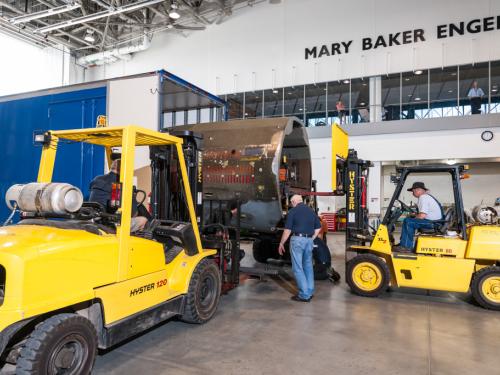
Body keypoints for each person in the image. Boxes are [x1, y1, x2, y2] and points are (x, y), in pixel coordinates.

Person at [278, 195, 321, 302]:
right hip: (309, 240)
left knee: (297, 267)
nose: (291, 204)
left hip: (297, 240)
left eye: (291, 203)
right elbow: (318, 227)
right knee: (308, 266)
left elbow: (287, 231)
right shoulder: (311, 211)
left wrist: (281, 243)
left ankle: (304, 294)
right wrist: (312, 238)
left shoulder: (293, 211)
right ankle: (310, 291)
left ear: (293, 202)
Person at [89, 159, 148, 232]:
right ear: (124, 170)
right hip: (110, 223)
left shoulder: (97, 179)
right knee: (143, 220)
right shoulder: (120, 184)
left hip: (95, 218)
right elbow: (133, 213)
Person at [394, 182, 443, 253]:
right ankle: (404, 242)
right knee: (410, 220)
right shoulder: (426, 197)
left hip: (433, 223)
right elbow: (423, 214)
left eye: (413, 191)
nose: (413, 193)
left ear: (418, 190)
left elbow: (422, 216)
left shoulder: (423, 197)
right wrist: (415, 215)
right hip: (434, 221)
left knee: (408, 221)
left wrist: (415, 216)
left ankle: (406, 247)